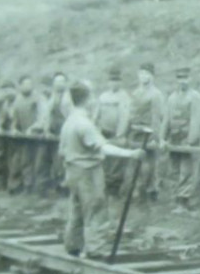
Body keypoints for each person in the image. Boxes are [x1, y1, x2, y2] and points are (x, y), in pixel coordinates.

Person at [58, 83, 143, 258]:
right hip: (88, 172)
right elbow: (103, 148)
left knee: (77, 209)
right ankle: (95, 249)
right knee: (95, 209)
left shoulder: (69, 122)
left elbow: (61, 151)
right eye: (92, 97)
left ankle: (73, 246)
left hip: (73, 170)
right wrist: (131, 153)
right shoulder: (84, 124)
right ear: (87, 100)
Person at [164, 66, 200, 212]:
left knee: (186, 171)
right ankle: (176, 199)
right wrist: (163, 138)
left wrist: (190, 141)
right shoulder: (172, 98)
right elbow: (167, 119)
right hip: (174, 139)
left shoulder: (195, 97)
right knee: (174, 171)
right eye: (180, 78)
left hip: (187, 140)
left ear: (190, 79)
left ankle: (184, 201)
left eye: (185, 78)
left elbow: (196, 120)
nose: (182, 81)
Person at [128, 63, 167, 202]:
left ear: (152, 76)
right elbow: (131, 113)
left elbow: (157, 118)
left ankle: (151, 191)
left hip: (149, 133)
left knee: (150, 165)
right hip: (135, 132)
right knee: (135, 163)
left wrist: (155, 137)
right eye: (142, 73)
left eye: (147, 73)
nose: (144, 76)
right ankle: (137, 190)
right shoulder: (135, 93)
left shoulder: (156, 94)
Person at [94, 67, 133, 198]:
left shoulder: (124, 97)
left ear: (120, 82)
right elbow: (96, 115)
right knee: (104, 162)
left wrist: (120, 135)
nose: (114, 83)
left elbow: (124, 117)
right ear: (108, 82)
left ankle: (114, 190)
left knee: (116, 164)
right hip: (103, 134)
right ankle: (103, 189)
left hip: (116, 134)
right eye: (112, 80)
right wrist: (96, 130)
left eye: (116, 80)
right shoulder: (103, 97)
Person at [4, 75, 44, 194]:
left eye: (30, 84)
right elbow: (14, 118)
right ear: (20, 86)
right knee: (21, 161)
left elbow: (42, 117)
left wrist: (34, 128)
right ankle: (23, 186)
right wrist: (14, 129)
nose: (28, 87)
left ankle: (36, 188)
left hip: (38, 136)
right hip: (23, 136)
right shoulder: (17, 100)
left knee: (37, 162)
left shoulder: (38, 99)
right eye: (25, 84)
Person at [39, 72, 73, 197]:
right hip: (52, 134)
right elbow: (46, 115)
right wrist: (46, 130)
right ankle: (53, 187)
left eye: (62, 81)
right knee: (52, 161)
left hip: (66, 133)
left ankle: (66, 189)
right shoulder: (50, 98)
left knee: (65, 162)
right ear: (53, 84)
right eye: (57, 82)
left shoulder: (70, 98)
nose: (60, 84)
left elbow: (71, 116)